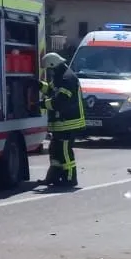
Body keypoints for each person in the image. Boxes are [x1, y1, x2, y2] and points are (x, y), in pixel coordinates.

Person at [41, 52, 85, 188]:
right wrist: (38, 85)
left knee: (65, 152)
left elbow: (60, 101)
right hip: (61, 123)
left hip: (68, 123)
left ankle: (70, 179)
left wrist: (41, 104)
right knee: (55, 150)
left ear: (53, 65)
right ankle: (54, 176)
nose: (49, 72)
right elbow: (52, 90)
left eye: (49, 69)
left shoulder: (67, 79)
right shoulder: (60, 76)